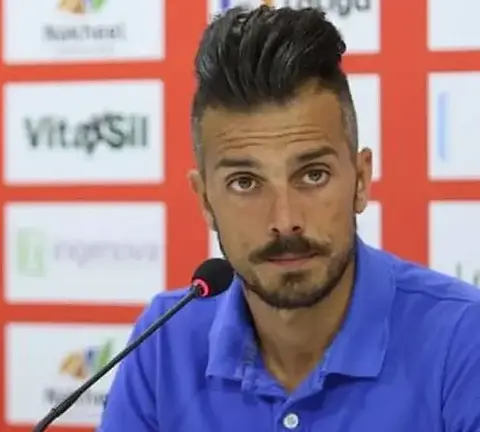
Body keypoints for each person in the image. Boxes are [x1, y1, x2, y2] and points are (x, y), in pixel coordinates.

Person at [97, 5, 480, 431]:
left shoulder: (464, 339)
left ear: (360, 180)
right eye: (245, 182)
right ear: (205, 200)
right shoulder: (165, 340)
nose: (284, 220)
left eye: (312, 175)